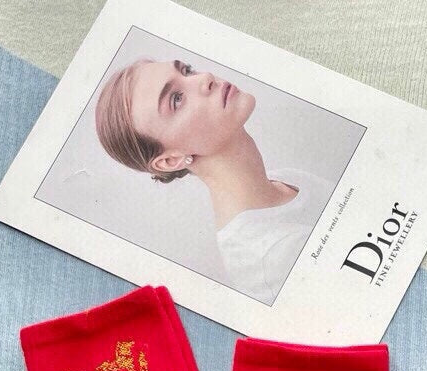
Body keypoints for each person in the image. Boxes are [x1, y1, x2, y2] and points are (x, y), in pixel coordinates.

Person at [95, 58, 330, 303]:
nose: (205, 78)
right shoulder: (270, 258)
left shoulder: (284, 179)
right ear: (171, 160)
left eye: (187, 71)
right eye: (176, 99)